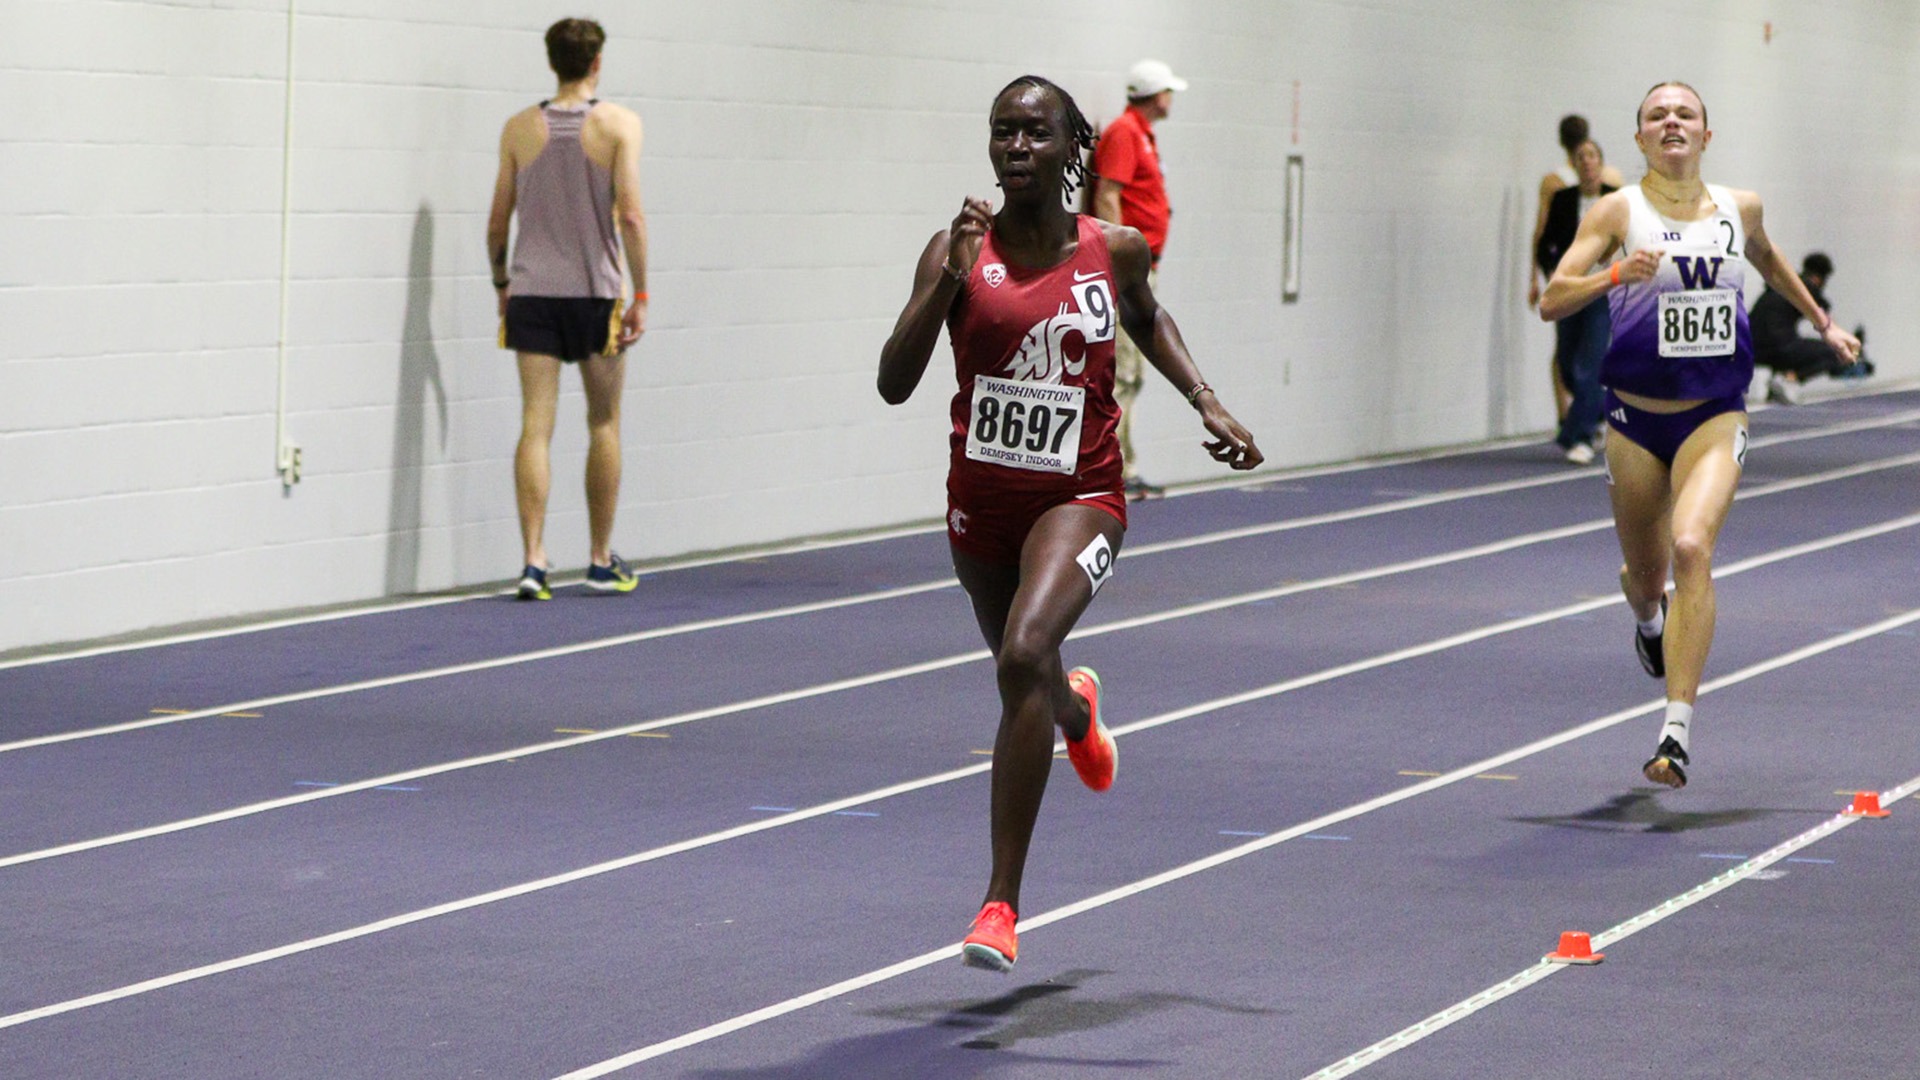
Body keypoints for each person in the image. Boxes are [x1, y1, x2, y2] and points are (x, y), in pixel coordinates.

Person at [877, 75, 1262, 971]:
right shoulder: (953, 249)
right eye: (1002, 133)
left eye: (1034, 134)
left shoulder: (1113, 248)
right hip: (980, 504)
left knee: (1019, 657)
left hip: (1080, 494)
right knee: (1030, 672)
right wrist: (951, 286)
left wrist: (1207, 400)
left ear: (1069, 148)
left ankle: (999, 906)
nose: (1016, 148)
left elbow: (1147, 316)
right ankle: (1076, 712)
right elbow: (894, 380)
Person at [1541, 82, 1859, 789]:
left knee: (1691, 547)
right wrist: (1617, 273)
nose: (1672, 122)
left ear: (1706, 136)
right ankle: (1649, 621)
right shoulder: (1617, 210)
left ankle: (1674, 735)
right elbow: (1551, 298)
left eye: (1685, 113)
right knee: (1647, 577)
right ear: (1642, 138)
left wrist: (1822, 322)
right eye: (1658, 115)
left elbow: (1769, 260)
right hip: (1632, 415)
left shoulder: (1739, 206)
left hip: (1715, 411)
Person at [487, 18, 648, 600]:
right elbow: (630, 215)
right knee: (603, 423)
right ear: (596, 62)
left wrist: (502, 280)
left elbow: (497, 222)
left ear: (553, 62)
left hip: (533, 293)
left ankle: (533, 560)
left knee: (536, 425)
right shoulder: (618, 126)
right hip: (595, 296)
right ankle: (600, 559)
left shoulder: (517, 129)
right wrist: (644, 294)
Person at [1091, 59, 1189, 501]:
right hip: (1129, 272)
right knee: (1124, 370)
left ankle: (1124, 464)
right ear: (1155, 93)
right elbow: (1108, 194)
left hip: (1144, 267)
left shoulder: (1142, 136)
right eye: (1168, 90)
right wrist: (1121, 261)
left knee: (1133, 372)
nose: (1172, 98)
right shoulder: (1126, 134)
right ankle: (1118, 468)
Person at [1530, 115, 1627, 423]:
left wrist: (1533, 277)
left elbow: (1538, 230)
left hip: (1597, 281)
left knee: (1587, 354)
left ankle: (1572, 423)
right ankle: (1584, 412)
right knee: (1568, 356)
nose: (1587, 163)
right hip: (1570, 279)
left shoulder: (1559, 180)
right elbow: (1544, 236)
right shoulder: (1559, 186)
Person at [1535, 139, 1617, 464]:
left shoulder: (1615, 199)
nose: (1587, 162)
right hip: (1570, 288)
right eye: (1581, 157)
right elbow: (1545, 243)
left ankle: (1579, 435)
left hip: (1601, 290)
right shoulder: (1563, 200)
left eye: (1592, 156)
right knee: (1567, 363)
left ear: (1600, 163)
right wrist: (1550, 270)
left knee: (1592, 363)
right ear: (1574, 165)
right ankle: (1596, 414)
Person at [1753, 252, 1873, 404]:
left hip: (1754, 348)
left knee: (1790, 341)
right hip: (1779, 347)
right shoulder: (1807, 288)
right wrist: (1851, 341)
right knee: (1835, 351)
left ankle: (1776, 388)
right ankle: (1789, 379)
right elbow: (1827, 322)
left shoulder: (1782, 284)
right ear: (1820, 278)